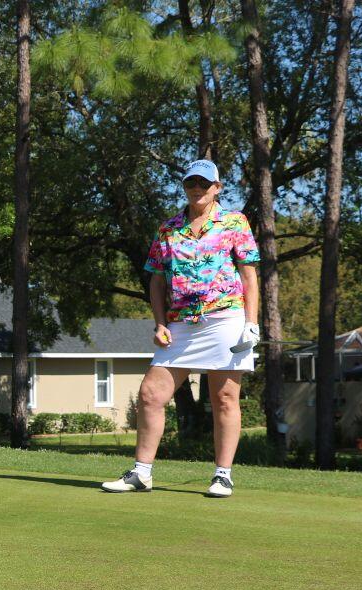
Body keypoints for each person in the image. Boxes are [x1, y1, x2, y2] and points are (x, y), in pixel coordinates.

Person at [102, 159, 260, 498]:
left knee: (224, 397)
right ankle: (141, 473)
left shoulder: (234, 221)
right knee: (150, 395)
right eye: (192, 183)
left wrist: (252, 323)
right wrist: (159, 322)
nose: (197, 188)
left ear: (217, 187)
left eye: (205, 183)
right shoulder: (168, 228)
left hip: (225, 318)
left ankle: (222, 475)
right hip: (180, 324)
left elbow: (249, 274)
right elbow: (157, 281)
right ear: (185, 187)